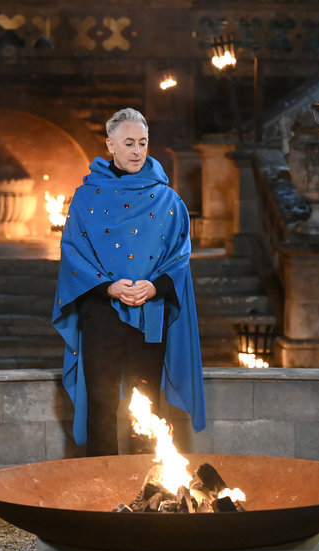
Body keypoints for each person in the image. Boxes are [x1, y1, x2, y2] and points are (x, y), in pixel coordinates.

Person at [52, 108, 206, 456]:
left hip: (149, 312)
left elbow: (180, 256)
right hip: (101, 312)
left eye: (143, 143)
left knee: (147, 405)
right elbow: (73, 252)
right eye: (129, 143)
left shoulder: (168, 199)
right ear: (110, 145)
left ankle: (145, 488)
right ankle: (102, 488)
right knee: (101, 403)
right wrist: (108, 286)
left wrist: (153, 287)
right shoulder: (85, 197)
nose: (137, 151)